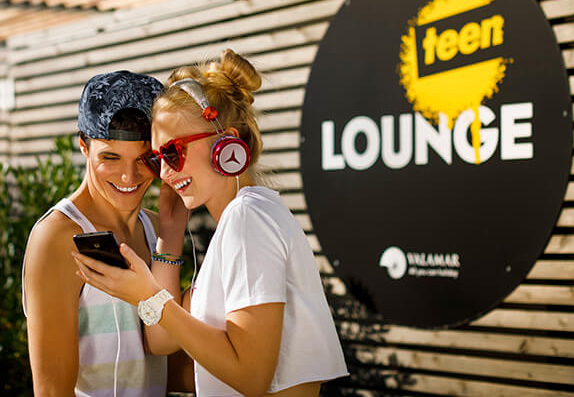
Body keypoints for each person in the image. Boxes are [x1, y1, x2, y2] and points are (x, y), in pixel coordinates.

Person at [73, 50, 348, 396]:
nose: (166, 173)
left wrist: (147, 295)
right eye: (157, 159)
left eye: (173, 151)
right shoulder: (241, 221)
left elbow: (250, 377)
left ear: (226, 143)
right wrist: (170, 241)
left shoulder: (248, 220)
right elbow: (162, 339)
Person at [22, 70, 169, 397]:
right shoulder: (57, 238)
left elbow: (167, 360)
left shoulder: (159, 229)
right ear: (83, 146)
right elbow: (51, 392)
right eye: (111, 157)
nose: (129, 176)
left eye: (144, 158)